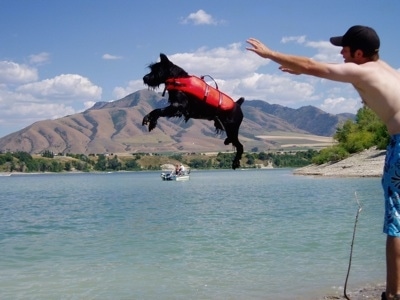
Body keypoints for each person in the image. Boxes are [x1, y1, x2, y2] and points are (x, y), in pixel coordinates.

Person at [247, 25, 400, 300]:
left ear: (359, 53)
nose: (341, 52)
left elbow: (311, 64)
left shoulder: (362, 70)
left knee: (397, 222)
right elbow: (317, 69)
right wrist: (303, 70)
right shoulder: (384, 68)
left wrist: (270, 54)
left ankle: (394, 294)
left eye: (345, 48)